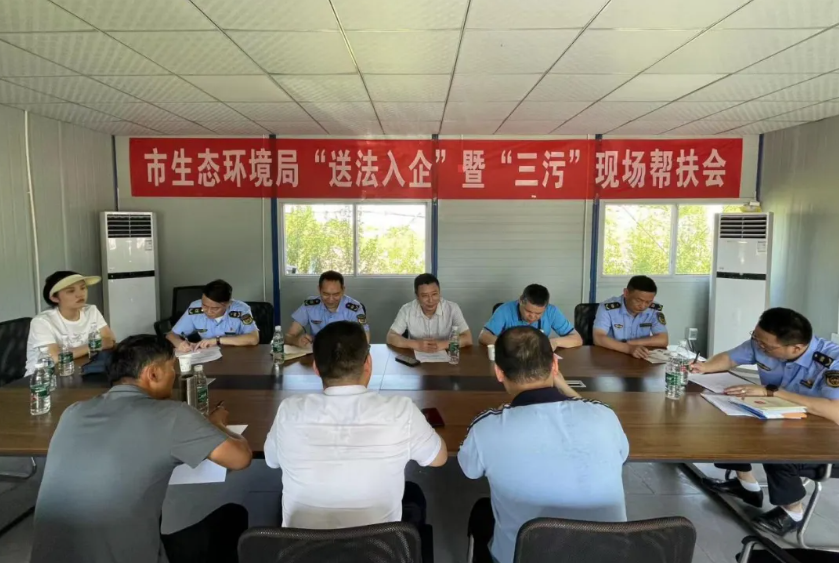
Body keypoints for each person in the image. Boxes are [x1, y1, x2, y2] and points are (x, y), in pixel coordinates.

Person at [30, 335, 252, 563]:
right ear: (153, 374)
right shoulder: (173, 415)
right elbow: (240, 458)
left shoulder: (73, 412)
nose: (174, 375)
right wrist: (217, 424)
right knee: (232, 517)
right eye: (171, 368)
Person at [459, 326, 628, 563]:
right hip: (607, 555)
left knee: (482, 513)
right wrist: (566, 388)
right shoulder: (604, 416)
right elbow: (622, 454)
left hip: (525, 556)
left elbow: (470, 470)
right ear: (555, 366)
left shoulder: (487, 428)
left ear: (499, 372)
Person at [264, 321, 447, 530]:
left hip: (301, 546)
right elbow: (438, 458)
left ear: (316, 368)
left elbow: (271, 460)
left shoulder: (289, 411)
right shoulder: (401, 411)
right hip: (379, 547)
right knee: (414, 494)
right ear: (368, 363)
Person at [693, 307, 839, 536]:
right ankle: (746, 485)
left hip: (826, 435)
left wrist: (773, 392)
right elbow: (730, 358)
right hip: (787, 417)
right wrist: (703, 367)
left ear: (796, 348)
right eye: (756, 338)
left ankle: (792, 512)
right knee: (728, 419)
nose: (759, 346)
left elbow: (835, 411)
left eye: (766, 346)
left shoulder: (832, 362)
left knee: (776, 446)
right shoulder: (762, 343)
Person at [26, 271, 117, 374]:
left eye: (83, 288)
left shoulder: (91, 311)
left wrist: (98, 345)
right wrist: (94, 346)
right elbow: (54, 357)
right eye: (70, 291)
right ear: (55, 298)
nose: (80, 294)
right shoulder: (41, 321)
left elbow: (110, 340)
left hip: (79, 370)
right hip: (43, 377)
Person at [386, 273, 472, 352]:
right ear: (417, 297)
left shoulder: (452, 308)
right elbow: (390, 337)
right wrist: (417, 345)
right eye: (425, 296)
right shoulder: (407, 310)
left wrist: (442, 345)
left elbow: (467, 338)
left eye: (434, 294)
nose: (431, 300)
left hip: (445, 356)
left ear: (439, 293)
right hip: (416, 358)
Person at [478, 284, 582, 349]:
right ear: (520, 301)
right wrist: (508, 345)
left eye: (538, 313)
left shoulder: (552, 311)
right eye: (528, 311)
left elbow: (577, 339)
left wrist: (554, 342)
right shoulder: (504, 310)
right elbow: (483, 336)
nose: (532, 317)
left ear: (546, 307)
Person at [166, 279, 259, 352]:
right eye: (204, 305)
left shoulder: (241, 309)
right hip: (207, 356)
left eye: (214, 308)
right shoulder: (195, 308)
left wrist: (217, 340)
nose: (208, 311)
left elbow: (254, 338)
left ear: (228, 304)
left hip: (236, 355)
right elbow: (171, 334)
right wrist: (180, 343)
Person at [285, 270, 370, 346]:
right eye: (326, 294)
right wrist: (296, 341)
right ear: (319, 289)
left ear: (343, 290)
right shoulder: (310, 306)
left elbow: (365, 339)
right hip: (317, 353)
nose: (331, 299)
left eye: (336, 294)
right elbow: (288, 336)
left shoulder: (354, 308)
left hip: (345, 353)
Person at [593, 275, 668, 359]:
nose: (643, 306)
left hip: (640, 356)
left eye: (648, 302)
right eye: (638, 300)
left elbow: (663, 340)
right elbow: (598, 337)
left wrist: (630, 343)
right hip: (612, 356)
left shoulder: (654, 310)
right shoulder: (608, 308)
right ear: (626, 293)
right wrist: (628, 349)